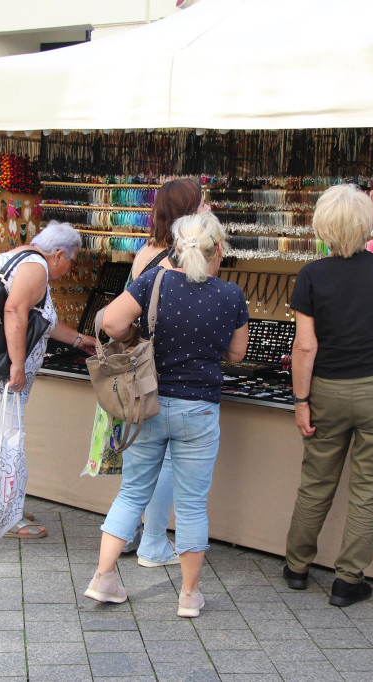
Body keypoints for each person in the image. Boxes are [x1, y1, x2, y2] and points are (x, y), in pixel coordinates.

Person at [84, 212, 249, 618]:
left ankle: (104, 579)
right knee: (192, 504)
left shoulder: (155, 281)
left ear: (176, 248)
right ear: (219, 251)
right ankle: (189, 596)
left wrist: (137, 334)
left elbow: (109, 321)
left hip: (149, 403)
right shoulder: (231, 295)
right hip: (200, 408)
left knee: (132, 492)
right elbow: (237, 354)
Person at [282, 184, 373, 607]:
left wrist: (301, 401)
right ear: (369, 223)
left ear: (322, 226)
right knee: (368, 487)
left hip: (326, 389)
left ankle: (296, 568)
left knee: (316, 481)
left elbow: (305, 348)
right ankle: (347, 581)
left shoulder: (311, 276)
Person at [0, 221, 97, 539]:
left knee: (5, 436)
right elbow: (15, 310)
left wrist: (77, 340)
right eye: (71, 262)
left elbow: (38, 320)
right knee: (8, 438)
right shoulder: (36, 268)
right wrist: (17, 365)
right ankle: (2, 518)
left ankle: (7, 504)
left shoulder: (16, 257)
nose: (70, 269)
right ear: (60, 254)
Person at [122, 177, 208, 568]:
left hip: (143, 369)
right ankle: (153, 541)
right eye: (203, 203)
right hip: (167, 373)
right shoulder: (179, 259)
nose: (209, 207)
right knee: (165, 463)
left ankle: (133, 536)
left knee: (141, 465)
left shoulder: (146, 253)